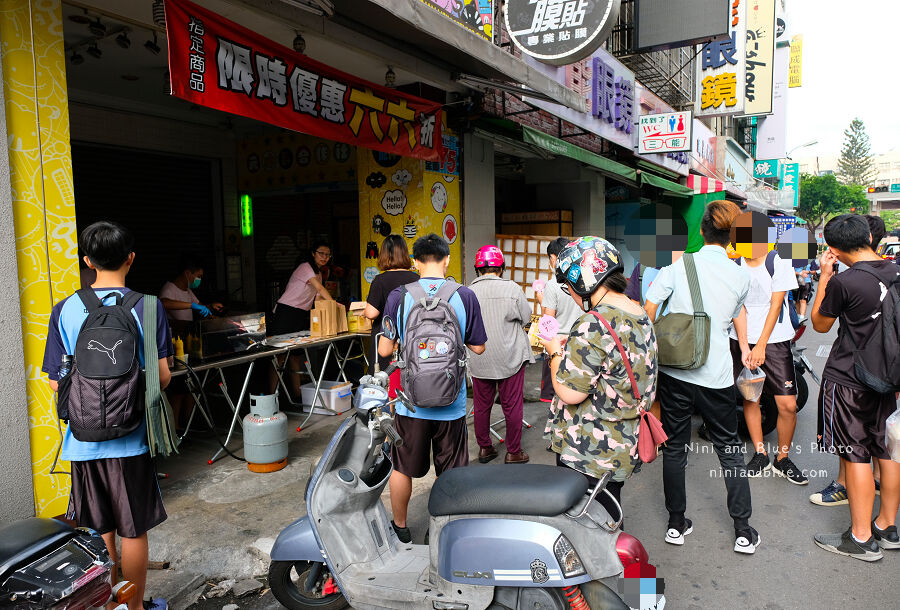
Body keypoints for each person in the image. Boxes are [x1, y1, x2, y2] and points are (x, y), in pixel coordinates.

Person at [42, 221, 172, 610]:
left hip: (81, 443)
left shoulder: (65, 309)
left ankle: (107, 603)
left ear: (87, 261)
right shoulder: (149, 307)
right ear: (131, 258)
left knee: (100, 529)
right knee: (133, 529)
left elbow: (55, 382)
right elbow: (161, 378)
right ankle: (134, 608)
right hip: (131, 440)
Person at [645, 200, 761, 555]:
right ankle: (743, 530)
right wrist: (742, 345)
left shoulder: (678, 266)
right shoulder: (741, 275)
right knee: (729, 449)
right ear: (733, 237)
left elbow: (649, 309)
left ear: (701, 231)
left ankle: (676, 524)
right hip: (717, 377)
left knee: (675, 449)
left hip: (675, 371)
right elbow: (736, 310)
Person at [378, 234, 487, 543]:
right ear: (447, 260)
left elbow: (385, 350)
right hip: (451, 404)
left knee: (402, 467)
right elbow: (478, 347)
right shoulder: (465, 295)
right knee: (450, 470)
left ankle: (400, 527)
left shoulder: (398, 296)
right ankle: (441, 531)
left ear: (415, 262)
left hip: (409, 403)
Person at [541, 237, 658, 522]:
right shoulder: (638, 312)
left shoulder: (593, 323)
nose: (568, 293)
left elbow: (569, 393)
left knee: (586, 522)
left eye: (568, 286)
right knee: (607, 511)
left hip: (590, 453)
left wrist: (555, 350)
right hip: (622, 445)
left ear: (584, 281)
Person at [810, 214, 900, 561]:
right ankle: (886, 526)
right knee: (887, 450)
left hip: (850, 378)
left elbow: (819, 323)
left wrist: (824, 278)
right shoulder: (895, 271)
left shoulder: (846, 282)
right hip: (889, 378)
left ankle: (860, 538)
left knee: (855, 453)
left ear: (833, 249)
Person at [728, 215, 804, 484]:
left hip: (775, 341)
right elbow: (738, 308)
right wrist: (745, 346)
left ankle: (782, 459)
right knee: (751, 397)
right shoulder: (734, 264)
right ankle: (760, 453)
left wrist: (760, 345)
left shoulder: (778, 261)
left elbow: (776, 306)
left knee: (788, 405)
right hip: (741, 339)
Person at [468, 245, 534, 465]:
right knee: (512, 404)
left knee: (481, 405)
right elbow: (526, 318)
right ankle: (513, 452)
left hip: (479, 356)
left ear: (477, 268)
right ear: (502, 267)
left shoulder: (468, 292)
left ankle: (485, 448)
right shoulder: (512, 288)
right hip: (510, 356)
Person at [269, 241, 335, 396]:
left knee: (295, 356)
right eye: (321, 253)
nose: (324, 257)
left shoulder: (318, 274)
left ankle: (297, 394)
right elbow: (319, 289)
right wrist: (334, 304)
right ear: (313, 253)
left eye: (327, 254)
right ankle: (271, 394)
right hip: (285, 312)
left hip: (300, 314)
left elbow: (317, 300)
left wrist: (329, 314)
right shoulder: (305, 267)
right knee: (278, 355)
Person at [363, 235, 418, 397]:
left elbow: (372, 313)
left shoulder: (380, 280)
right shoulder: (416, 278)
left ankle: (386, 416)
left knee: (383, 381)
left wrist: (364, 311)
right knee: (408, 378)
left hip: (386, 338)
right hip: (411, 336)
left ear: (384, 255)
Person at [537, 237, 582, 402]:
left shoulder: (552, 284)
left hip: (558, 347)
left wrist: (542, 302)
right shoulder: (582, 280)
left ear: (554, 258)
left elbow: (548, 322)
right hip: (580, 344)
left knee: (556, 397)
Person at [159, 254, 223, 323]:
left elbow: (200, 307)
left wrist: (211, 307)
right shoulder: (169, 289)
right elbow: (163, 303)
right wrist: (191, 305)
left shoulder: (188, 290)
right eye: (198, 276)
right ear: (187, 273)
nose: (200, 279)